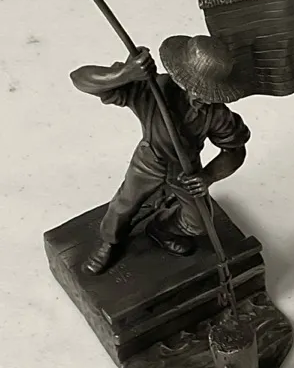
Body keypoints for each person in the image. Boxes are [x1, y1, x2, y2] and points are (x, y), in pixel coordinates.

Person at [70, 34, 250, 275]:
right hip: (150, 161)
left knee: (199, 222)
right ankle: (109, 242)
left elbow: (235, 150)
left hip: (187, 171)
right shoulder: (154, 90)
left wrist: (208, 176)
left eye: (208, 93)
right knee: (124, 204)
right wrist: (124, 74)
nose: (201, 98)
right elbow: (79, 78)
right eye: (196, 88)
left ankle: (162, 228)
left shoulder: (217, 114)